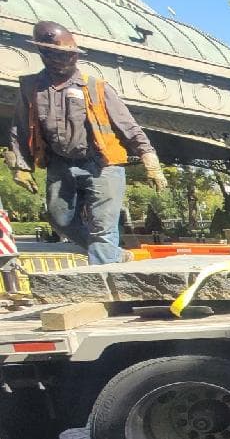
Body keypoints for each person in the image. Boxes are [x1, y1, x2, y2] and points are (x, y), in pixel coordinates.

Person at [7, 20, 166, 264]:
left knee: (103, 227)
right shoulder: (31, 88)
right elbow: (20, 128)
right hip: (60, 165)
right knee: (60, 220)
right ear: (42, 53)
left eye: (67, 55)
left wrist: (150, 159)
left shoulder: (96, 87)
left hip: (102, 163)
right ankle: (112, 255)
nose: (61, 60)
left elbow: (128, 126)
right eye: (53, 54)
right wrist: (21, 166)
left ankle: (102, 281)